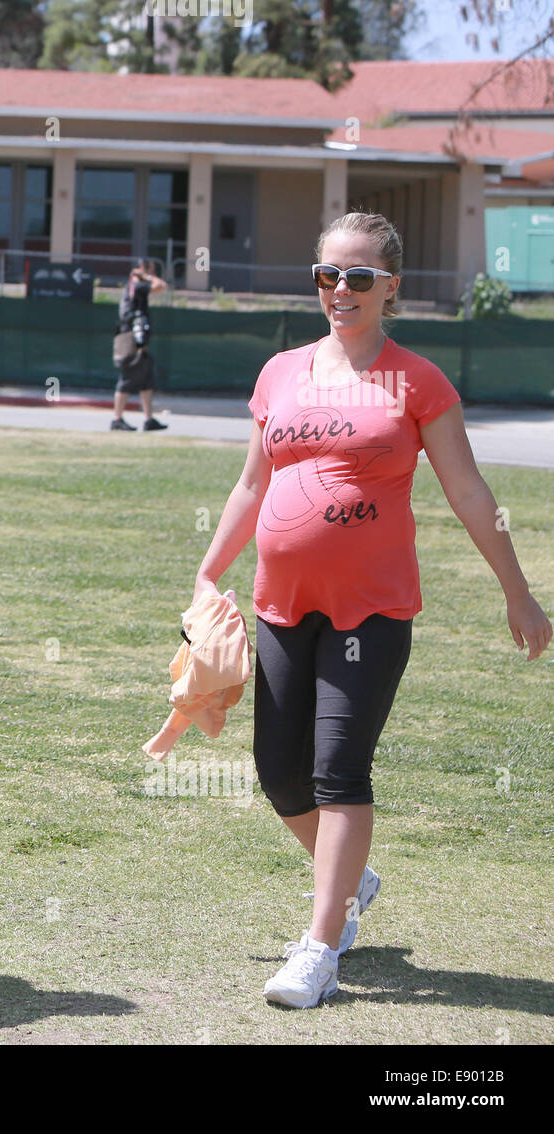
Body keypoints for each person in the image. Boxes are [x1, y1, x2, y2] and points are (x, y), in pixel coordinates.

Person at [193, 211, 551, 1009]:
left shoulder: (419, 382)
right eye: (328, 275)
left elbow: (468, 490)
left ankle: (321, 946)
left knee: (337, 770)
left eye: (358, 277)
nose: (340, 291)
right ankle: (350, 877)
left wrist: (517, 590)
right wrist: (206, 575)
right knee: (279, 775)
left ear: (391, 287)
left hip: (372, 610)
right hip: (283, 603)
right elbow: (253, 484)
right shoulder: (281, 372)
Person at [111, 259, 168, 432]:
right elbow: (162, 285)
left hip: (139, 339)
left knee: (146, 379)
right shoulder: (136, 284)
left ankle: (149, 419)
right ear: (142, 269)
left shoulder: (136, 287)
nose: (153, 274)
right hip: (131, 340)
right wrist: (146, 276)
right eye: (150, 270)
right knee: (128, 376)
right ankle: (117, 419)